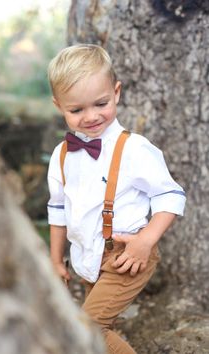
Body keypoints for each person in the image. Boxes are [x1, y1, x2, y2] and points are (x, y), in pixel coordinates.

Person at [47, 44, 186, 354]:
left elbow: (170, 196)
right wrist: (56, 260)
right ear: (59, 106)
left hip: (127, 255)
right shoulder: (61, 155)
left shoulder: (134, 149)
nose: (91, 116)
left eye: (101, 103)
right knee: (99, 325)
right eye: (76, 110)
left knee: (90, 329)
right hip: (86, 256)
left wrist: (145, 241)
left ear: (117, 92)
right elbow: (57, 208)